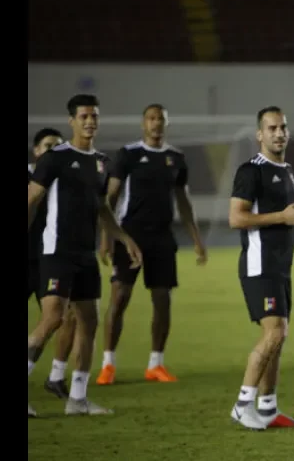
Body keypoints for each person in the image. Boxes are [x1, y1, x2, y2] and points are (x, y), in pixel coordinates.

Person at [27, 94, 143, 417]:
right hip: (57, 252)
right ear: (71, 121)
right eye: (83, 117)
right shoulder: (55, 158)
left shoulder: (102, 162)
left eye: (94, 116)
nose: (90, 121)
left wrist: (123, 238)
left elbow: (102, 208)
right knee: (52, 318)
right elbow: (31, 199)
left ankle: (77, 399)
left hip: (85, 255)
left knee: (89, 322)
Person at [95, 104, 207, 386]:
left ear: (167, 124)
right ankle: (108, 363)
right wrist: (107, 238)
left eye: (161, 119)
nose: (156, 124)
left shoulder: (176, 158)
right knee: (119, 298)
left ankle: (155, 364)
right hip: (129, 234)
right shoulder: (128, 154)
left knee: (162, 301)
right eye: (151, 119)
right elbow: (111, 197)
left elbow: (183, 199)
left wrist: (196, 238)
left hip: (162, 237)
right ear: (143, 123)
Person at [228, 106, 294, 430]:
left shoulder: (286, 169)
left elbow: (283, 215)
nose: (279, 133)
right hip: (259, 266)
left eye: (283, 127)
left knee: (278, 337)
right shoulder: (251, 171)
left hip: (280, 268)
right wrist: (283, 217)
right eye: (272, 128)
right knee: (275, 333)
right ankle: (242, 405)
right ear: (259, 134)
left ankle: (267, 408)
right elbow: (236, 218)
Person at [28, 127, 79, 400]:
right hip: (30, 258)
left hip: (48, 259)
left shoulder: (63, 177)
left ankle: (57, 376)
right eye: (48, 146)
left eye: (58, 147)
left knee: (64, 318)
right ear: (36, 151)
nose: (52, 151)